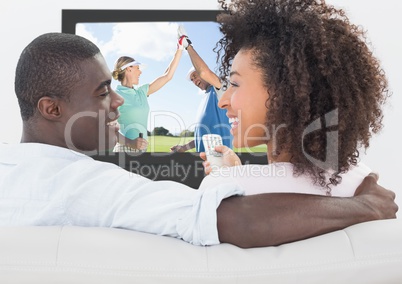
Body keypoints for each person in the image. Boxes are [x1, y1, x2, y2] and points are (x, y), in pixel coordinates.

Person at [0, 32, 397, 249]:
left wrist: (233, 178)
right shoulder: (93, 187)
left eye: (234, 85)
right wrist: (364, 203)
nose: (117, 99)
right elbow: (231, 217)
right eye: (104, 92)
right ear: (52, 109)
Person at [200, 0, 390, 198]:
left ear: (282, 94)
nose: (222, 101)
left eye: (235, 84)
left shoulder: (226, 187)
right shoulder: (364, 182)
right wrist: (235, 172)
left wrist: (228, 178)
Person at [111, 37, 183, 152]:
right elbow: (107, 130)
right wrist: (131, 143)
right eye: (137, 68)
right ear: (128, 69)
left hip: (141, 151)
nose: (140, 72)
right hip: (124, 150)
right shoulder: (115, 96)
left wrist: (180, 49)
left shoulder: (141, 92)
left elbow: (167, 76)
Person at [170, 26, 232, 153]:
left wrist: (187, 45)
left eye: (194, 76)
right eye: (191, 80)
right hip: (205, 160)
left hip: (221, 159)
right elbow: (201, 137)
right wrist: (183, 148)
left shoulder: (221, 88)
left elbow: (204, 72)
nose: (194, 81)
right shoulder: (205, 98)